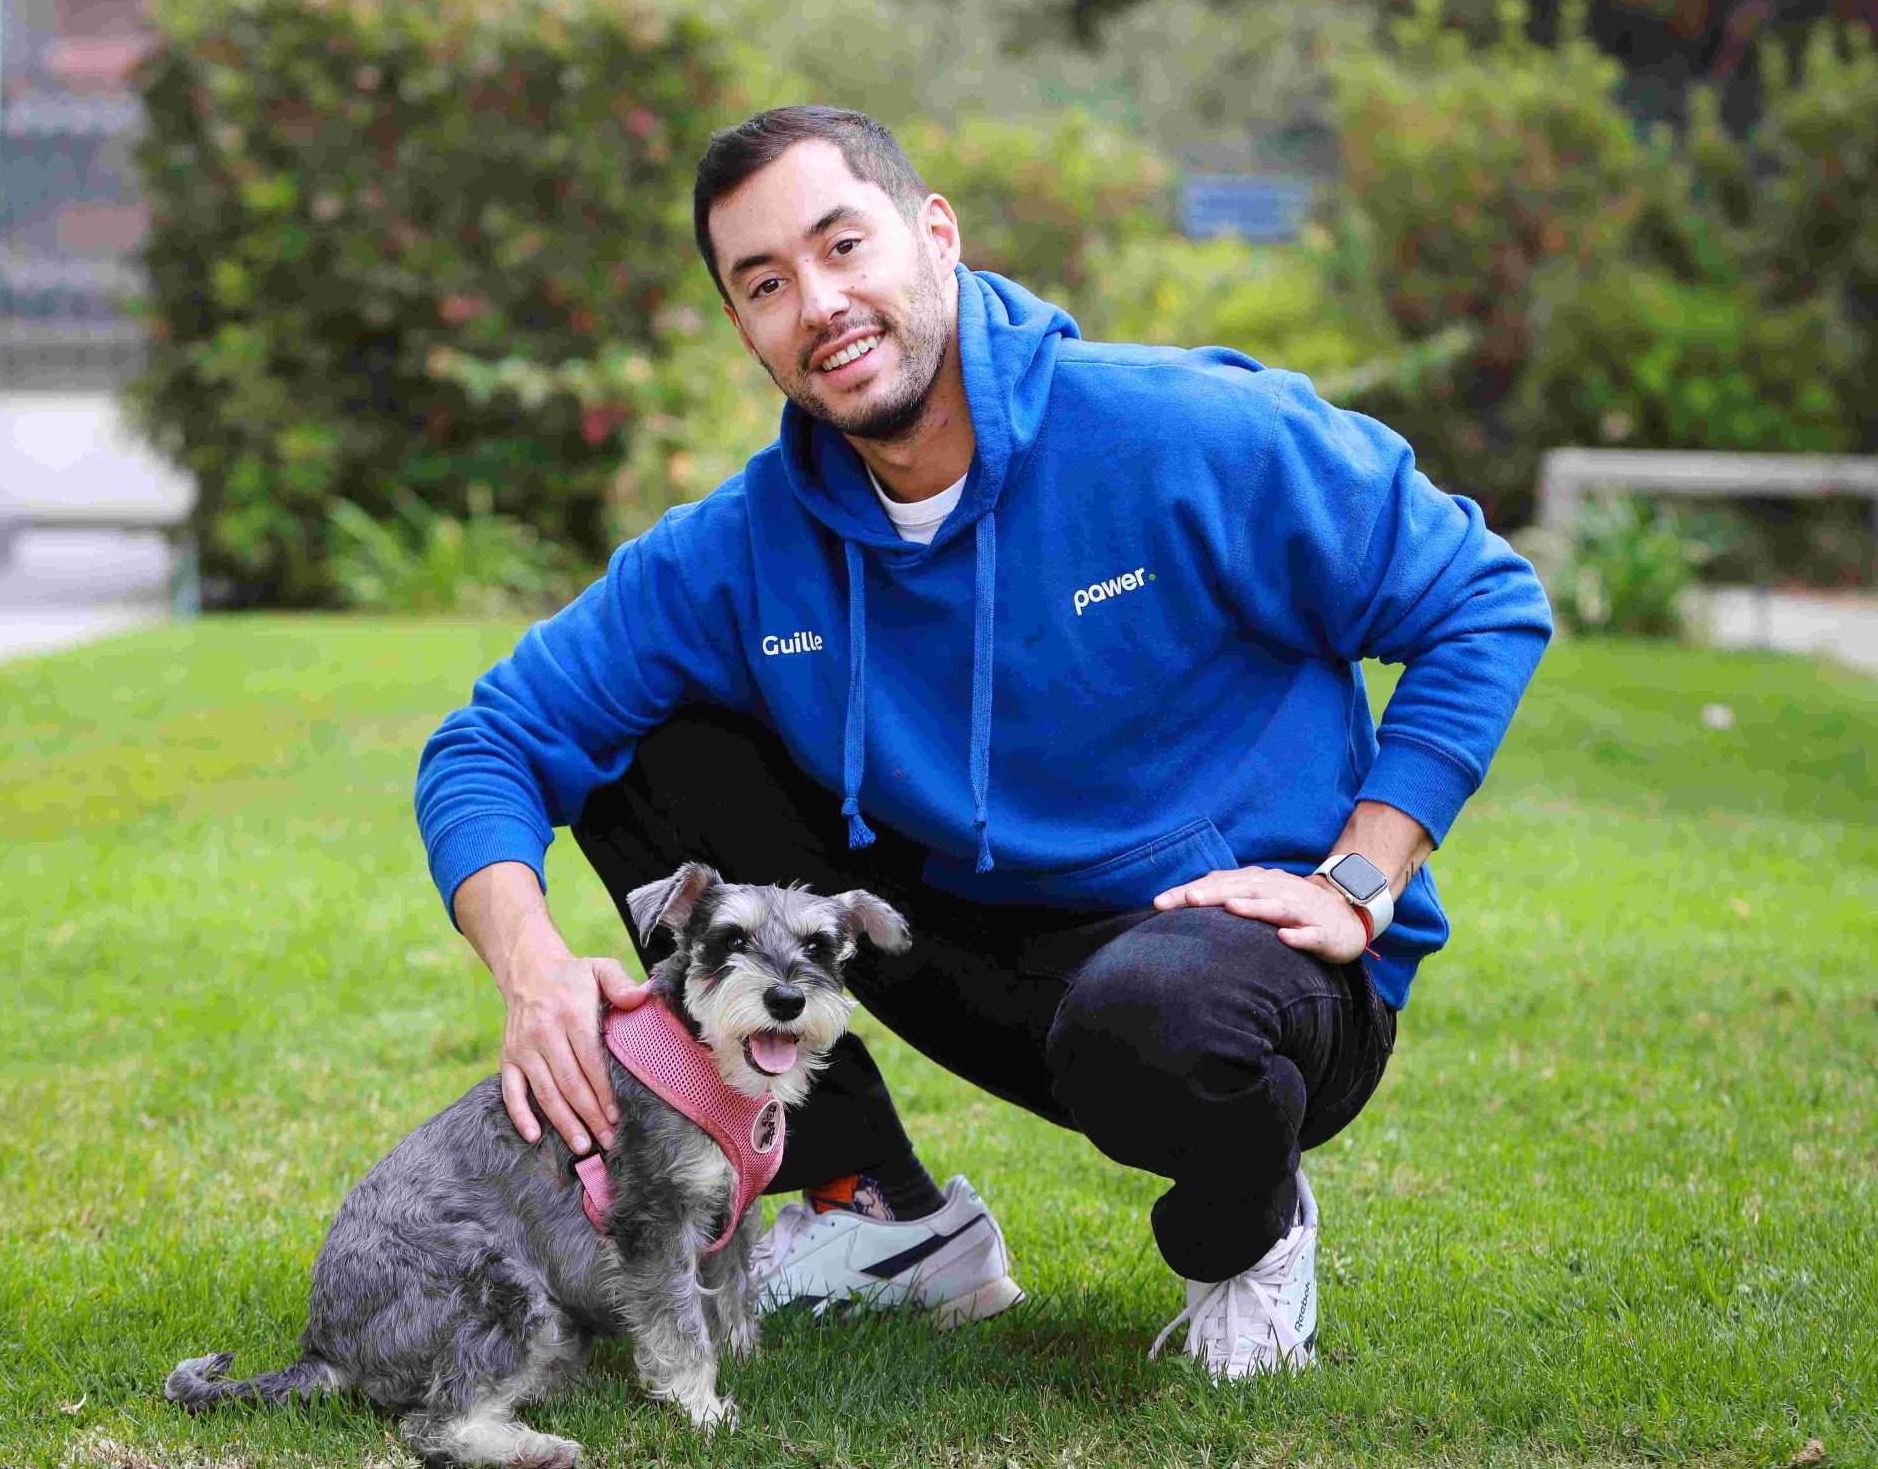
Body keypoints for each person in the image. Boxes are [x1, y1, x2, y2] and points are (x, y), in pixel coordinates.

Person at [415, 105, 1552, 1378]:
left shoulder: (1179, 430)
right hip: (975, 942)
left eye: (844, 245)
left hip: (1237, 964)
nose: (820, 303)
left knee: (1155, 1014)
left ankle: (1249, 1238)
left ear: (936, 235)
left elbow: (1480, 599)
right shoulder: (744, 546)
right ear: (743, 328)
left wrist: (1358, 877)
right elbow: (490, 739)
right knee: (644, 757)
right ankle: (877, 1209)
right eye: (767, 283)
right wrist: (531, 971)